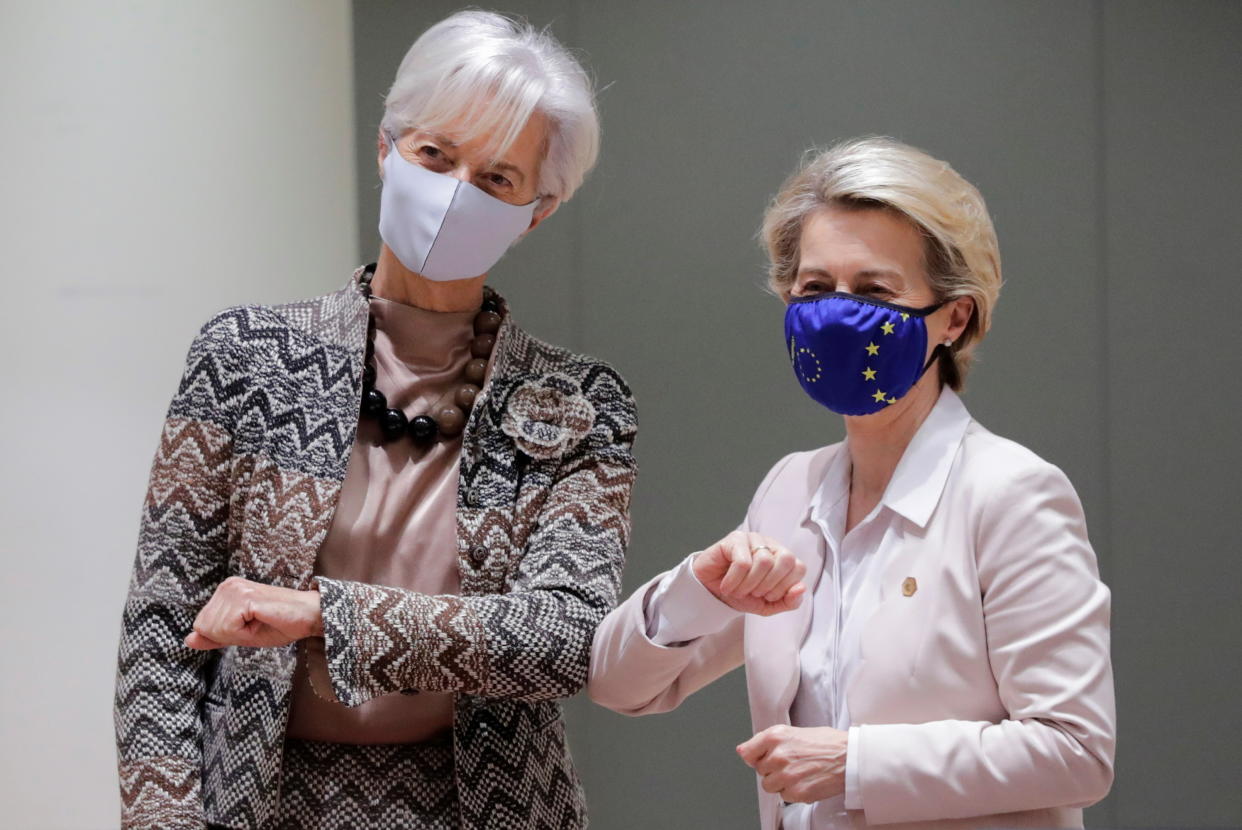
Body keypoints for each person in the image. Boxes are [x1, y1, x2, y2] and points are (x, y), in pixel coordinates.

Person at [114, 11, 637, 829]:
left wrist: (326, 614)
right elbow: (161, 627)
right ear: (387, 148)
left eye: (498, 177)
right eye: (436, 154)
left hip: (485, 804)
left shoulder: (579, 403)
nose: (457, 189)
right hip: (257, 800)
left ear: (538, 210)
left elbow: (563, 637)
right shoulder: (246, 354)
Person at [589, 137, 1115, 829]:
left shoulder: (1012, 492)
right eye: (814, 290)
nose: (838, 317)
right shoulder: (790, 488)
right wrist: (699, 589)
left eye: (874, 291)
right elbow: (619, 686)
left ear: (954, 318)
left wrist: (855, 765)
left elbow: (1076, 752)